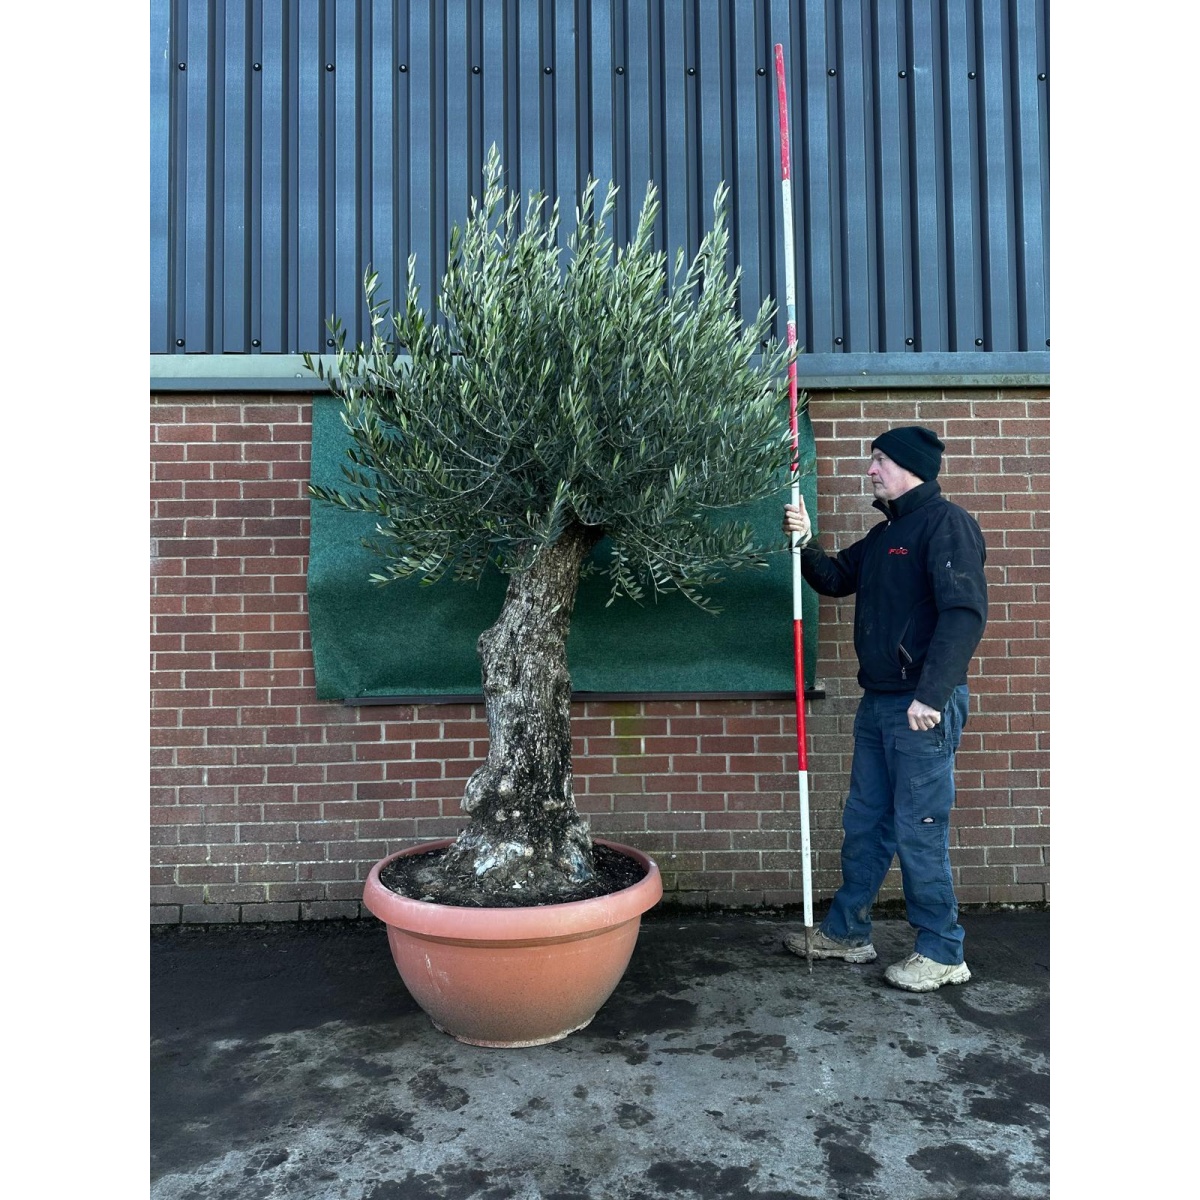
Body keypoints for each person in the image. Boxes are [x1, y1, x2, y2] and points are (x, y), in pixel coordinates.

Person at [782, 425, 988, 992]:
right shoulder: (884, 536)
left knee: (918, 826)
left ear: (910, 467)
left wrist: (933, 693)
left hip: (920, 708)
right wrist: (805, 542)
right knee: (865, 823)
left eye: (879, 461)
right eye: (871, 460)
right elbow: (833, 578)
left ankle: (943, 951)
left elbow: (963, 614)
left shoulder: (947, 526)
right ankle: (847, 933)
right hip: (879, 705)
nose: (870, 470)